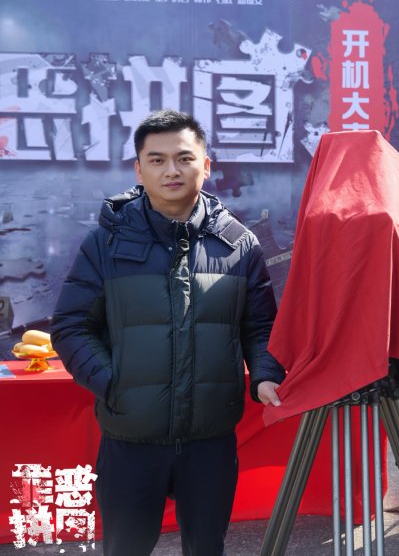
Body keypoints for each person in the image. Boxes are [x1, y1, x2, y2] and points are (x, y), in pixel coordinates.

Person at [51, 109, 286, 556]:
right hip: (131, 440)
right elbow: (72, 325)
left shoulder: (239, 245)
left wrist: (265, 373)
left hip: (210, 440)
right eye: (156, 160)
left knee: (207, 547)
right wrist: (114, 383)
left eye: (184, 158)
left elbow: (260, 326)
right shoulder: (106, 243)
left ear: (206, 164)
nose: (171, 170)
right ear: (139, 170)